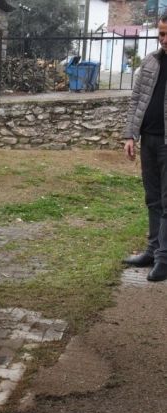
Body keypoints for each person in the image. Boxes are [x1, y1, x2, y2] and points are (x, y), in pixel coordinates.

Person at [123, 12, 167, 282]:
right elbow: (136, 99)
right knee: (152, 198)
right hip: (148, 139)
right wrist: (130, 135)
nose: (164, 39)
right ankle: (152, 251)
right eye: (161, 33)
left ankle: (164, 258)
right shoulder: (150, 61)